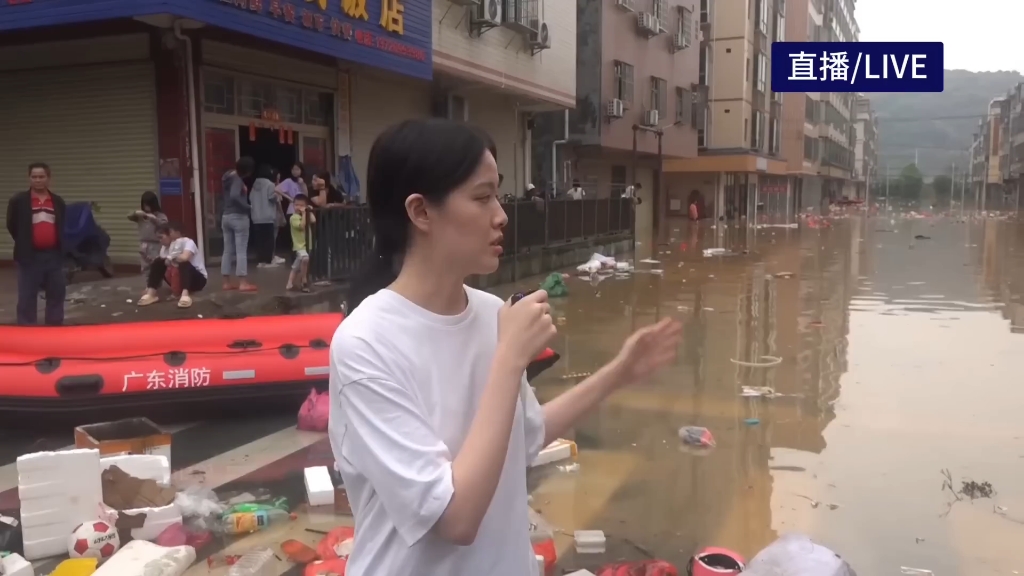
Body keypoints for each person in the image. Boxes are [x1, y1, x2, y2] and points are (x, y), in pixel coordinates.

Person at [329, 119, 682, 576]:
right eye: (481, 197)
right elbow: (453, 518)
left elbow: (524, 435)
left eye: (498, 194)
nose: (501, 214)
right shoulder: (366, 343)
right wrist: (509, 358)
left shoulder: (490, 311)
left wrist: (619, 371)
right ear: (421, 212)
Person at [6, 162, 67, 326]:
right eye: (34, 177)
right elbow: (12, 225)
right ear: (29, 178)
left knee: (56, 295)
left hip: (53, 256)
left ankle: (54, 332)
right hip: (29, 257)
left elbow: (62, 226)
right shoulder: (18, 201)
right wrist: (26, 243)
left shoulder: (58, 201)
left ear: (48, 178)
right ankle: (27, 333)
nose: (38, 180)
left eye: (41, 177)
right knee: (27, 297)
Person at [137, 221, 207, 308]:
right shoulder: (165, 247)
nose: (160, 241)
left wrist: (171, 258)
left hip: (197, 280)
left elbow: (185, 257)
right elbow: (161, 262)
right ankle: (151, 293)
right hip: (177, 277)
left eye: (161, 237)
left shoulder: (188, 242)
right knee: (158, 262)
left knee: (182, 262)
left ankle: (185, 294)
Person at [221, 157, 257, 292]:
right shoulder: (237, 179)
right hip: (239, 216)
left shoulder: (227, 176)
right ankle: (243, 282)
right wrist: (248, 207)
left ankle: (226, 282)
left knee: (227, 250)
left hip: (226, 216)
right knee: (241, 250)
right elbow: (235, 196)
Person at [251, 165, 285, 268]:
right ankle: (268, 261)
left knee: (260, 240)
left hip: (256, 216)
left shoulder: (254, 185)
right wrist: (278, 195)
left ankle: (260, 261)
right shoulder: (270, 184)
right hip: (267, 216)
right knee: (268, 240)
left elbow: (251, 197)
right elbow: (272, 197)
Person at [128, 191, 169, 273]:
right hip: (144, 244)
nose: (146, 207)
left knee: (155, 266)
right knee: (145, 267)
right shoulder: (141, 216)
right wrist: (136, 213)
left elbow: (164, 225)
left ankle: (155, 283)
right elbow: (129, 216)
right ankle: (148, 284)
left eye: (148, 204)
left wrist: (153, 219)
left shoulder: (160, 216)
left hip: (155, 245)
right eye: (144, 204)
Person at [287, 194, 315, 292]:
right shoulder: (294, 217)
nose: (299, 207)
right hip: (299, 246)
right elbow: (302, 226)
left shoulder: (305, 215)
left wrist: (309, 211)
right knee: (305, 259)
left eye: (301, 205)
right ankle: (304, 280)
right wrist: (304, 214)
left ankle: (290, 283)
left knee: (297, 266)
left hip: (307, 244)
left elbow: (313, 220)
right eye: (296, 205)